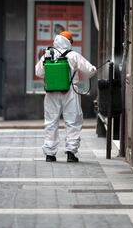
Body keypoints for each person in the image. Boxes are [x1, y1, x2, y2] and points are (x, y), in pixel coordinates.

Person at [35, 31, 97, 162]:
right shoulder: (73, 55)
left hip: (51, 93)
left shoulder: (47, 54)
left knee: (51, 122)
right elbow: (90, 70)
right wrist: (85, 74)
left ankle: (50, 154)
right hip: (70, 92)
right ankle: (70, 152)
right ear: (69, 42)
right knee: (72, 121)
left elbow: (38, 72)